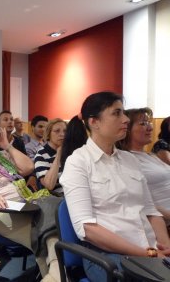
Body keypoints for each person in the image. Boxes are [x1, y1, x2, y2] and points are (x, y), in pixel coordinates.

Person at [59, 92, 170, 281]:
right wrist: (147, 253)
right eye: (116, 113)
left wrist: (166, 247)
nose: (126, 119)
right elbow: (87, 229)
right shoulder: (78, 162)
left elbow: (150, 211)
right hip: (108, 256)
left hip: (149, 250)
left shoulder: (130, 160)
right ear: (94, 122)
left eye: (124, 113)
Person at [0, 117, 60, 281]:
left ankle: (53, 275)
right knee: (50, 232)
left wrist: (7, 145)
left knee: (53, 223)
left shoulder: (3, 155)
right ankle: (55, 275)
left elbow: (29, 167)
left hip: (23, 206)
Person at [117, 107, 170, 224]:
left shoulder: (150, 155)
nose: (150, 128)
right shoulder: (125, 161)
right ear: (127, 129)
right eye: (143, 124)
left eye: (149, 123)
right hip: (163, 222)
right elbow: (141, 203)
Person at [34, 118, 67, 193]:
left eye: (65, 131)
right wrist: (58, 155)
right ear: (48, 134)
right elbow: (49, 185)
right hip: (55, 197)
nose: (62, 134)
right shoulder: (41, 155)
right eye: (57, 131)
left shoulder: (70, 151)